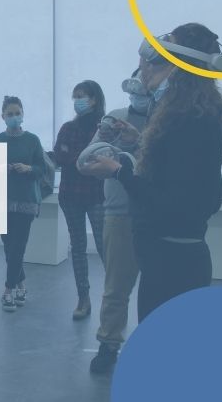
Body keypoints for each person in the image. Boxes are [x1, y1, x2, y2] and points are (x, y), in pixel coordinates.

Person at [83, 23, 222, 322]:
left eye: (158, 59)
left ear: (182, 68)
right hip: (167, 260)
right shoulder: (191, 118)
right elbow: (178, 171)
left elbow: (174, 203)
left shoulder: (192, 122)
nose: (145, 67)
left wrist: (119, 171)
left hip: (173, 266)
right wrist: (141, 141)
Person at [79, 70, 150, 373]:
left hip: (157, 214)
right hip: (120, 212)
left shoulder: (169, 120)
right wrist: (107, 146)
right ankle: (108, 344)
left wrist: (139, 143)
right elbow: (86, 162)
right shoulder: (115, 119)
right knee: (116, 286)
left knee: (157, 287)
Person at [53, 80, 106, 320]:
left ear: (94, 99)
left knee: (104, 246)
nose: (77, 101)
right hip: (71, 195)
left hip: (97, 195)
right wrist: (84, 159)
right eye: (75, 97)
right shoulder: (68, 127)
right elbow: (60, 156)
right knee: (78, 247)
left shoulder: (104, 128)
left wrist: (77, 159)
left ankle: (112, 297)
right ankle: (83, 298)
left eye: (81, 96)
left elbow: (106, 157)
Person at [0, 96, 45, 312]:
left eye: (17, 113)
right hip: (0, 202)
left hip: (26, 201)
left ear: (23, 114)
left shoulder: (32, 140)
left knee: (18, 247)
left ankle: (8, 290)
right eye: (10, 114)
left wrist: (29, 169)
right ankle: (21, 285)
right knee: (9, 247)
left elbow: (42, 169)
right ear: (2, 116)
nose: (14, 117)